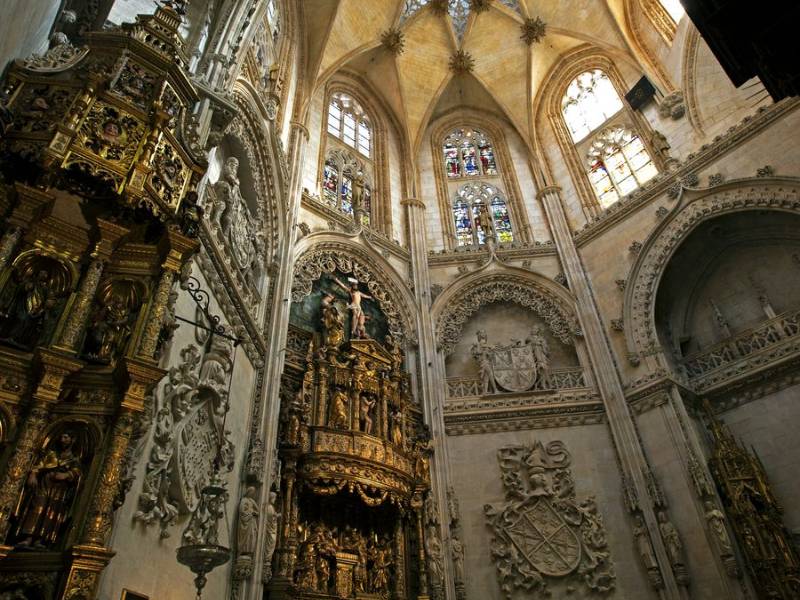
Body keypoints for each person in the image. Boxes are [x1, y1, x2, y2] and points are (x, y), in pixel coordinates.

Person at [14, 431, 83, 548]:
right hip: (45, 484)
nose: (62, 440)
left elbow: (77, 472)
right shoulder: (51, 454)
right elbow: (39, 465)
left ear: (72, 440)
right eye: (61, 437)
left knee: (51, 511)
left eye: (66, 437)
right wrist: (33, 475)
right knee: (37, 507)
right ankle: (28, 537)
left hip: (59, 489)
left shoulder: (74, 459)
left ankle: (41, 540)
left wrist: (67, 475)